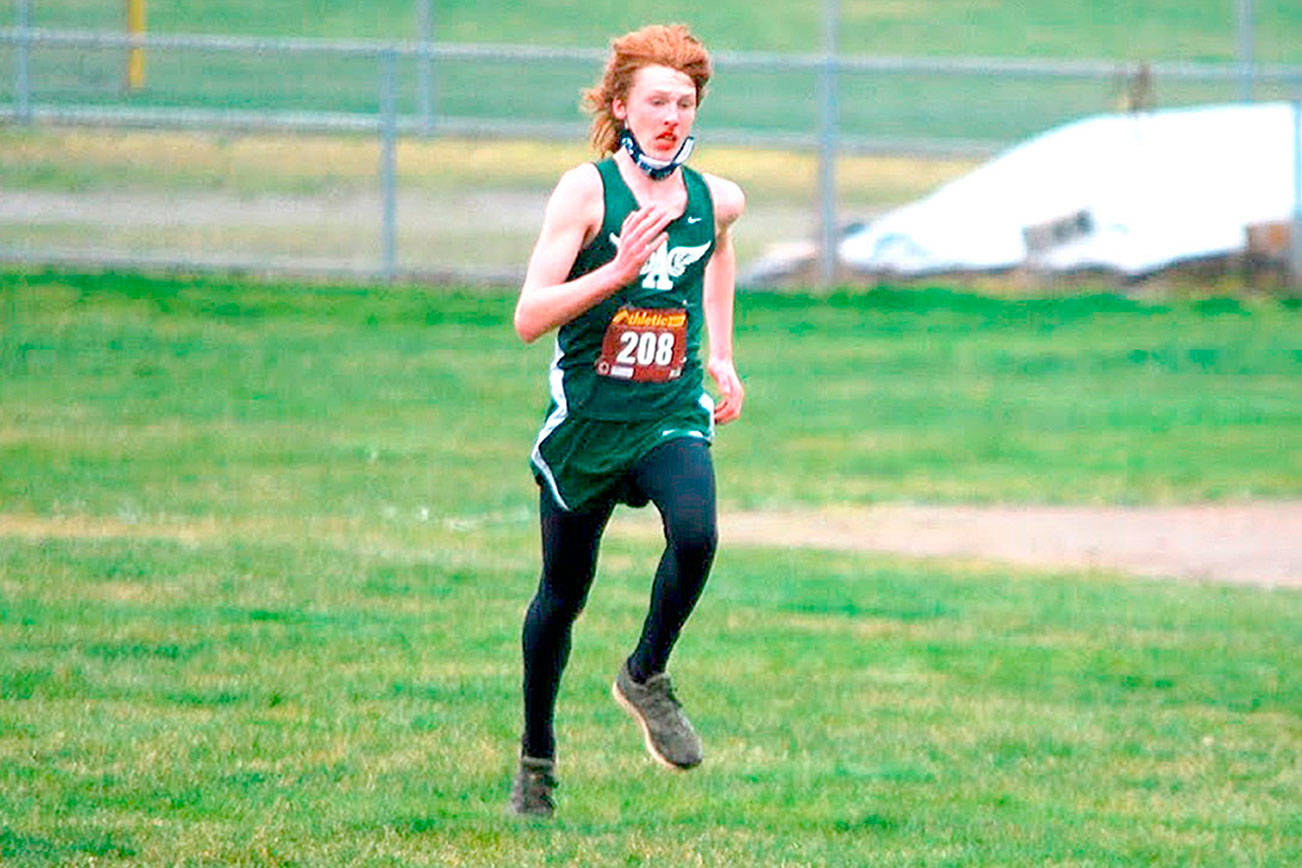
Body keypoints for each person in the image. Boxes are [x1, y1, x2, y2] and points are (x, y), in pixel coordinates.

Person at [508, 23, 745, 818]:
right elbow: (528, 317)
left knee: (698, 533)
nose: (673, 116)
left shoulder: (715, 198)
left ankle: (646, 672)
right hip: (587, 430)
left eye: (685, 102)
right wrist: (615, 273)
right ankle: (536, 762)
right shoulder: (586, 192)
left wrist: (721, 356)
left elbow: (718, 252)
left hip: (668, 413)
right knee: (561, 597)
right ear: (622, 106)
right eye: (656, 101)